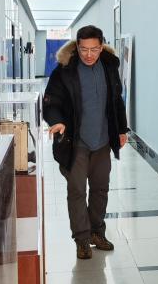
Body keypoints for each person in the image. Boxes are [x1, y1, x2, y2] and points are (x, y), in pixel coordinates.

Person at [43, 25, 129, 260]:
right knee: (77, 191)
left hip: (102, 140)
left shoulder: (109, 66)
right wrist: (57, 121)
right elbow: (51, 102)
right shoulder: (64, 70)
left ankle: (96, 232)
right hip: (76, 142)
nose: (89, 55)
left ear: (101, 47)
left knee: (100, 189)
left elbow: (116, 101)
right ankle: (82, 239)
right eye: (83, 49)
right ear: (77, 47)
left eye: (94, 49)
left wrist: (122, 129)